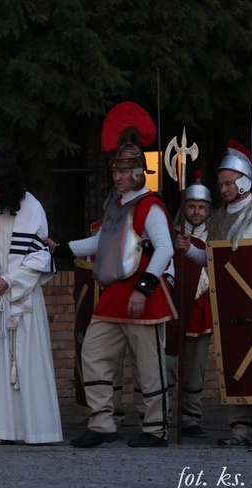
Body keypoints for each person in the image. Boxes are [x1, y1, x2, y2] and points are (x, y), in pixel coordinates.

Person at [52, 142, 175, 448]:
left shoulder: (151, 206)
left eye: (123, 171)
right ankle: (103, 423)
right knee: (92, 353)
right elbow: (100, 243)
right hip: (113, 297)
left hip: (141, 295)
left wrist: (145, 287)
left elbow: (165, 248)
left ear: (138, 172)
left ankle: (156, 428)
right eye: (115, 171)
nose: (117, 177)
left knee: (148, 364)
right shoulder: (115, 206)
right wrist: (62, 248)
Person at [176, 140, 252, 448]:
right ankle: (240, 428)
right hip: (229, 302)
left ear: (244, 182)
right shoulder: (218, 219)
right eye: (220, 183)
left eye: (227, 183)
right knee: (235, 364)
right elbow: (212, 259)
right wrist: (189, 250)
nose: (222, 188)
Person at [0, 157, 62, 445]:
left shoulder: (32, 207)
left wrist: (10, 280)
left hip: (23, 298)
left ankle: (37, 430)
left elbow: (41, 253)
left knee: (28, 358)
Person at [167, 173, 213, 439]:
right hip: (174, 307)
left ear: (208, 209)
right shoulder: (171, 234)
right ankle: (163, 414)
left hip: (201, 306)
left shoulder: (217, 234)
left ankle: (190, 417)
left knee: (195, 366)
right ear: (184, 208)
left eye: (201, 207)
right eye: (192, 206)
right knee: (168, 363)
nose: (196, 212)